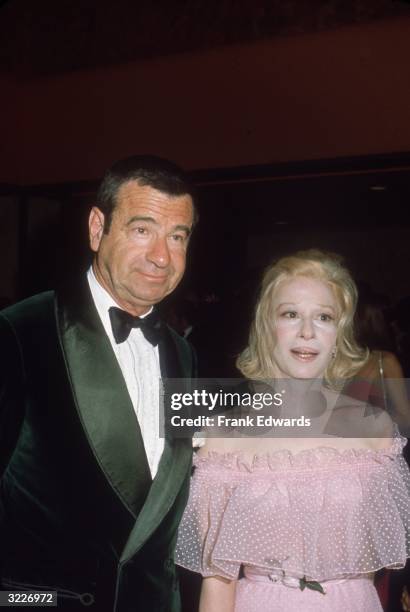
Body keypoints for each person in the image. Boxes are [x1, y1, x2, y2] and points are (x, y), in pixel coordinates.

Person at [0, 155, 197, 611]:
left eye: (177, 236)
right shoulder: (18, 333)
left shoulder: (184, 355)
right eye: (142, 229)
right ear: (96, 228)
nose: (162, 256)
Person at [175, 249, 410, 612]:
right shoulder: (224, 438)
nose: (306, 332)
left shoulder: (374, 428)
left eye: (324, 317)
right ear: (267, 327)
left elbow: (387, 559)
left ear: (339, 332)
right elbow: (218, 582)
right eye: (290, 314)